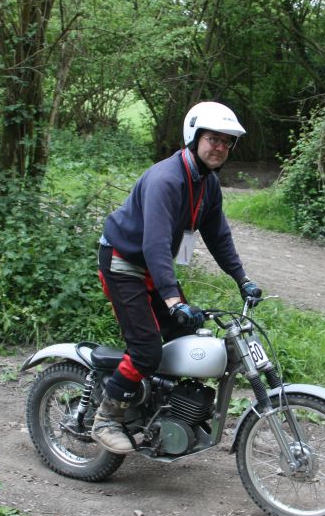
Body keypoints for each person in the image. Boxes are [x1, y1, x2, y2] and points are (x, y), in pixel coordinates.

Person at [93, 101, 262, 453]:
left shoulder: (207, 184)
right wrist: (172, 299)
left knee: (184, 337)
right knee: (146, 350)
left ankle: (151, 407)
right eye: (213, 139)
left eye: (227, 142)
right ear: (195, 137)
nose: (220, 147)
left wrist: (242, 279)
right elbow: (155, 243)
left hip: (152, 267)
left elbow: (219, 237)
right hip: (124, 261)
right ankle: (107, 416)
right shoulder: (166, 179)